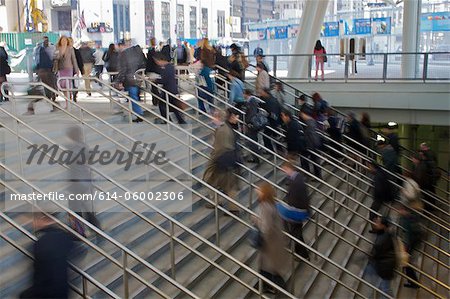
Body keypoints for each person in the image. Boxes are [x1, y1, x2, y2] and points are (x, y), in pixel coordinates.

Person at [19, 213, 74, 299]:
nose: (32, 223)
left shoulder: (42, 243)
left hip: (47, 289)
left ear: (43, 220)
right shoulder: (63, 236)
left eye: (35, 220)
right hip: (61, 287)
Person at [203, 108, 242, 214]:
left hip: (222, 161)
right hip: (228, 160)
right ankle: (221, 203)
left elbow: (221, 148)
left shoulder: (223, 130)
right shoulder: (226, 128)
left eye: (214, 116)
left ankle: (230, 207)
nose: (212, 119)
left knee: (212, 179)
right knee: (226, 184)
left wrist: (214, 159)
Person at [252, 182, 288, 293]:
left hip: (270, 242)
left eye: (260, 190)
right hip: (274, 240)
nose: (257, 191)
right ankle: (264, 285)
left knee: (268, 266)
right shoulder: (271, 203)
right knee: (266, 266)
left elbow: (266, 227)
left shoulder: (265, 206)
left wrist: (255, 219)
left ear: (264, 193)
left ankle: (275, 287)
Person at [281, 161, 310, 260]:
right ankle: (301, 253)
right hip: (297, 210)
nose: (284, 171)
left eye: (285, 169)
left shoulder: (296, 181)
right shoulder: (297, 178)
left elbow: (296, 198)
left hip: (297, 211)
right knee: (296, 232)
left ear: (289, 168)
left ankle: (303, 254)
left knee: (296, 233)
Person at [114, 39, 146, 123]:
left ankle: (139, 113)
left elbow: (123, 69)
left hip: (129, 78)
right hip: (137, 77)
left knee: (133, 97)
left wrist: (118, 80)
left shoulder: (124, 54)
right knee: (135, 96)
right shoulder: (138, 53)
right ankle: (138, 113)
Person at [365, 216, 396, 299]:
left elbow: (375, 254)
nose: (376, 223)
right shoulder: (386, 234)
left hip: (384, 267)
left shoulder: (381, 240)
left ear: (383, 225)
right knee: (383, 287)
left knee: (385, 289)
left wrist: (369, 256)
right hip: (386, 265)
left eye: (378, 222)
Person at [153, 52, 186, 124]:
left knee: (162, 105)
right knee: (174, 106)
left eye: (157, 61)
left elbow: (165, 80)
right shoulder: (170, 67)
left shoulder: (167, 68)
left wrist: (155, 80)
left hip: (168, 90)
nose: (157, 63)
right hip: (172, 89)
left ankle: (167, 120)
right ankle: (180, 121)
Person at [398, 201, 424, 289]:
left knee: (407, 264)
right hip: (410, 243)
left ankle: (414, 283)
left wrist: (407, 246)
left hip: (411, 244)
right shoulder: (406, 218)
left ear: (405, 210)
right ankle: (413, 282)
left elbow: (411, 234)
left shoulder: (409, 219)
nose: (399, 212)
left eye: (400, 210)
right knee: (407, 265)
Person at [367, 161, 394, 233]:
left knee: (372, 213)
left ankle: (376, 229)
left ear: (373, 167)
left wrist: (378, 197)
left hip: (379, 198)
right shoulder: (381, 172)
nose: (369, 169)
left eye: (369, 167)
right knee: (375, 213)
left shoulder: (378, 176)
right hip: (383, 197)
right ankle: (377, 228)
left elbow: (379, 188)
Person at [54, 36, 79, 108]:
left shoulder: (70, 49)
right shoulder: (57, 48)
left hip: (69, 68)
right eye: (62, 40)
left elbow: (74, 59)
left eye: (65, 40)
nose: (64, 42)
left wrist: (76, 69)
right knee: (62, 85)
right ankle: (67, 99)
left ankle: (68, 102)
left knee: (67, 84)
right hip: (61, 68)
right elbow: (55, 58)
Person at [300, 105, 322, 179]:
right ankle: (317, 175)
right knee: (315, 160)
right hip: (313, 145)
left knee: (305, 159)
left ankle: (308, 174)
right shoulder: (312, 121)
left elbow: (312, 136)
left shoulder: (309, 123)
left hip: (310, 145)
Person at [34, 36, 56, 102]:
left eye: (46, 41)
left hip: (48, 68)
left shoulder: (51, 47)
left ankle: (51, 95)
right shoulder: (38, 49)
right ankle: (50, 96)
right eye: (44, 41)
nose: (45, 42)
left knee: (50, 83)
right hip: (44, 69)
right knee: (48, 84)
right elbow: (37, 59)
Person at [259, 88, 282, 154]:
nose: (261, 94)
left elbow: (270, 112)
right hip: (276, 121)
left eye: (262, 92)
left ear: (265, 92)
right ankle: (278, 150)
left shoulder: (268, 101)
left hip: (271, 121)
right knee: (275, 136)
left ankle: (270, 150)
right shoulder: (273, 99)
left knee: (266, 136)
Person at [244, 89, 263, 164]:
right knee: (253, 141)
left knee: (252, 141)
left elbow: (251, 113)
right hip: (254, 124)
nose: (243, 95)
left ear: (247, 94)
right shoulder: (253, 101)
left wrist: (248, 123)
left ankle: (255, 158)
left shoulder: (251, 102)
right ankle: (256, 156)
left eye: (244, 94)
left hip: (252, 125)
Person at [198, 38, 216, 114]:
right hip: (210, 69)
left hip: (204, 69)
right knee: (210, 90)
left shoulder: (203, 51)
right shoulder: (211, 50)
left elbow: (202, 60)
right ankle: (212, 109)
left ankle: (202, 109)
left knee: (200, 90)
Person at [145, 38, 161, 106]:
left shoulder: (151, 51)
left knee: (154, 87)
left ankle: (156, 101)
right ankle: (156, 100)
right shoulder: (157, 51)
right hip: (156, 70)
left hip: (152, 71)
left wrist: (146, 71)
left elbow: (149, 62)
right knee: (155, 86)